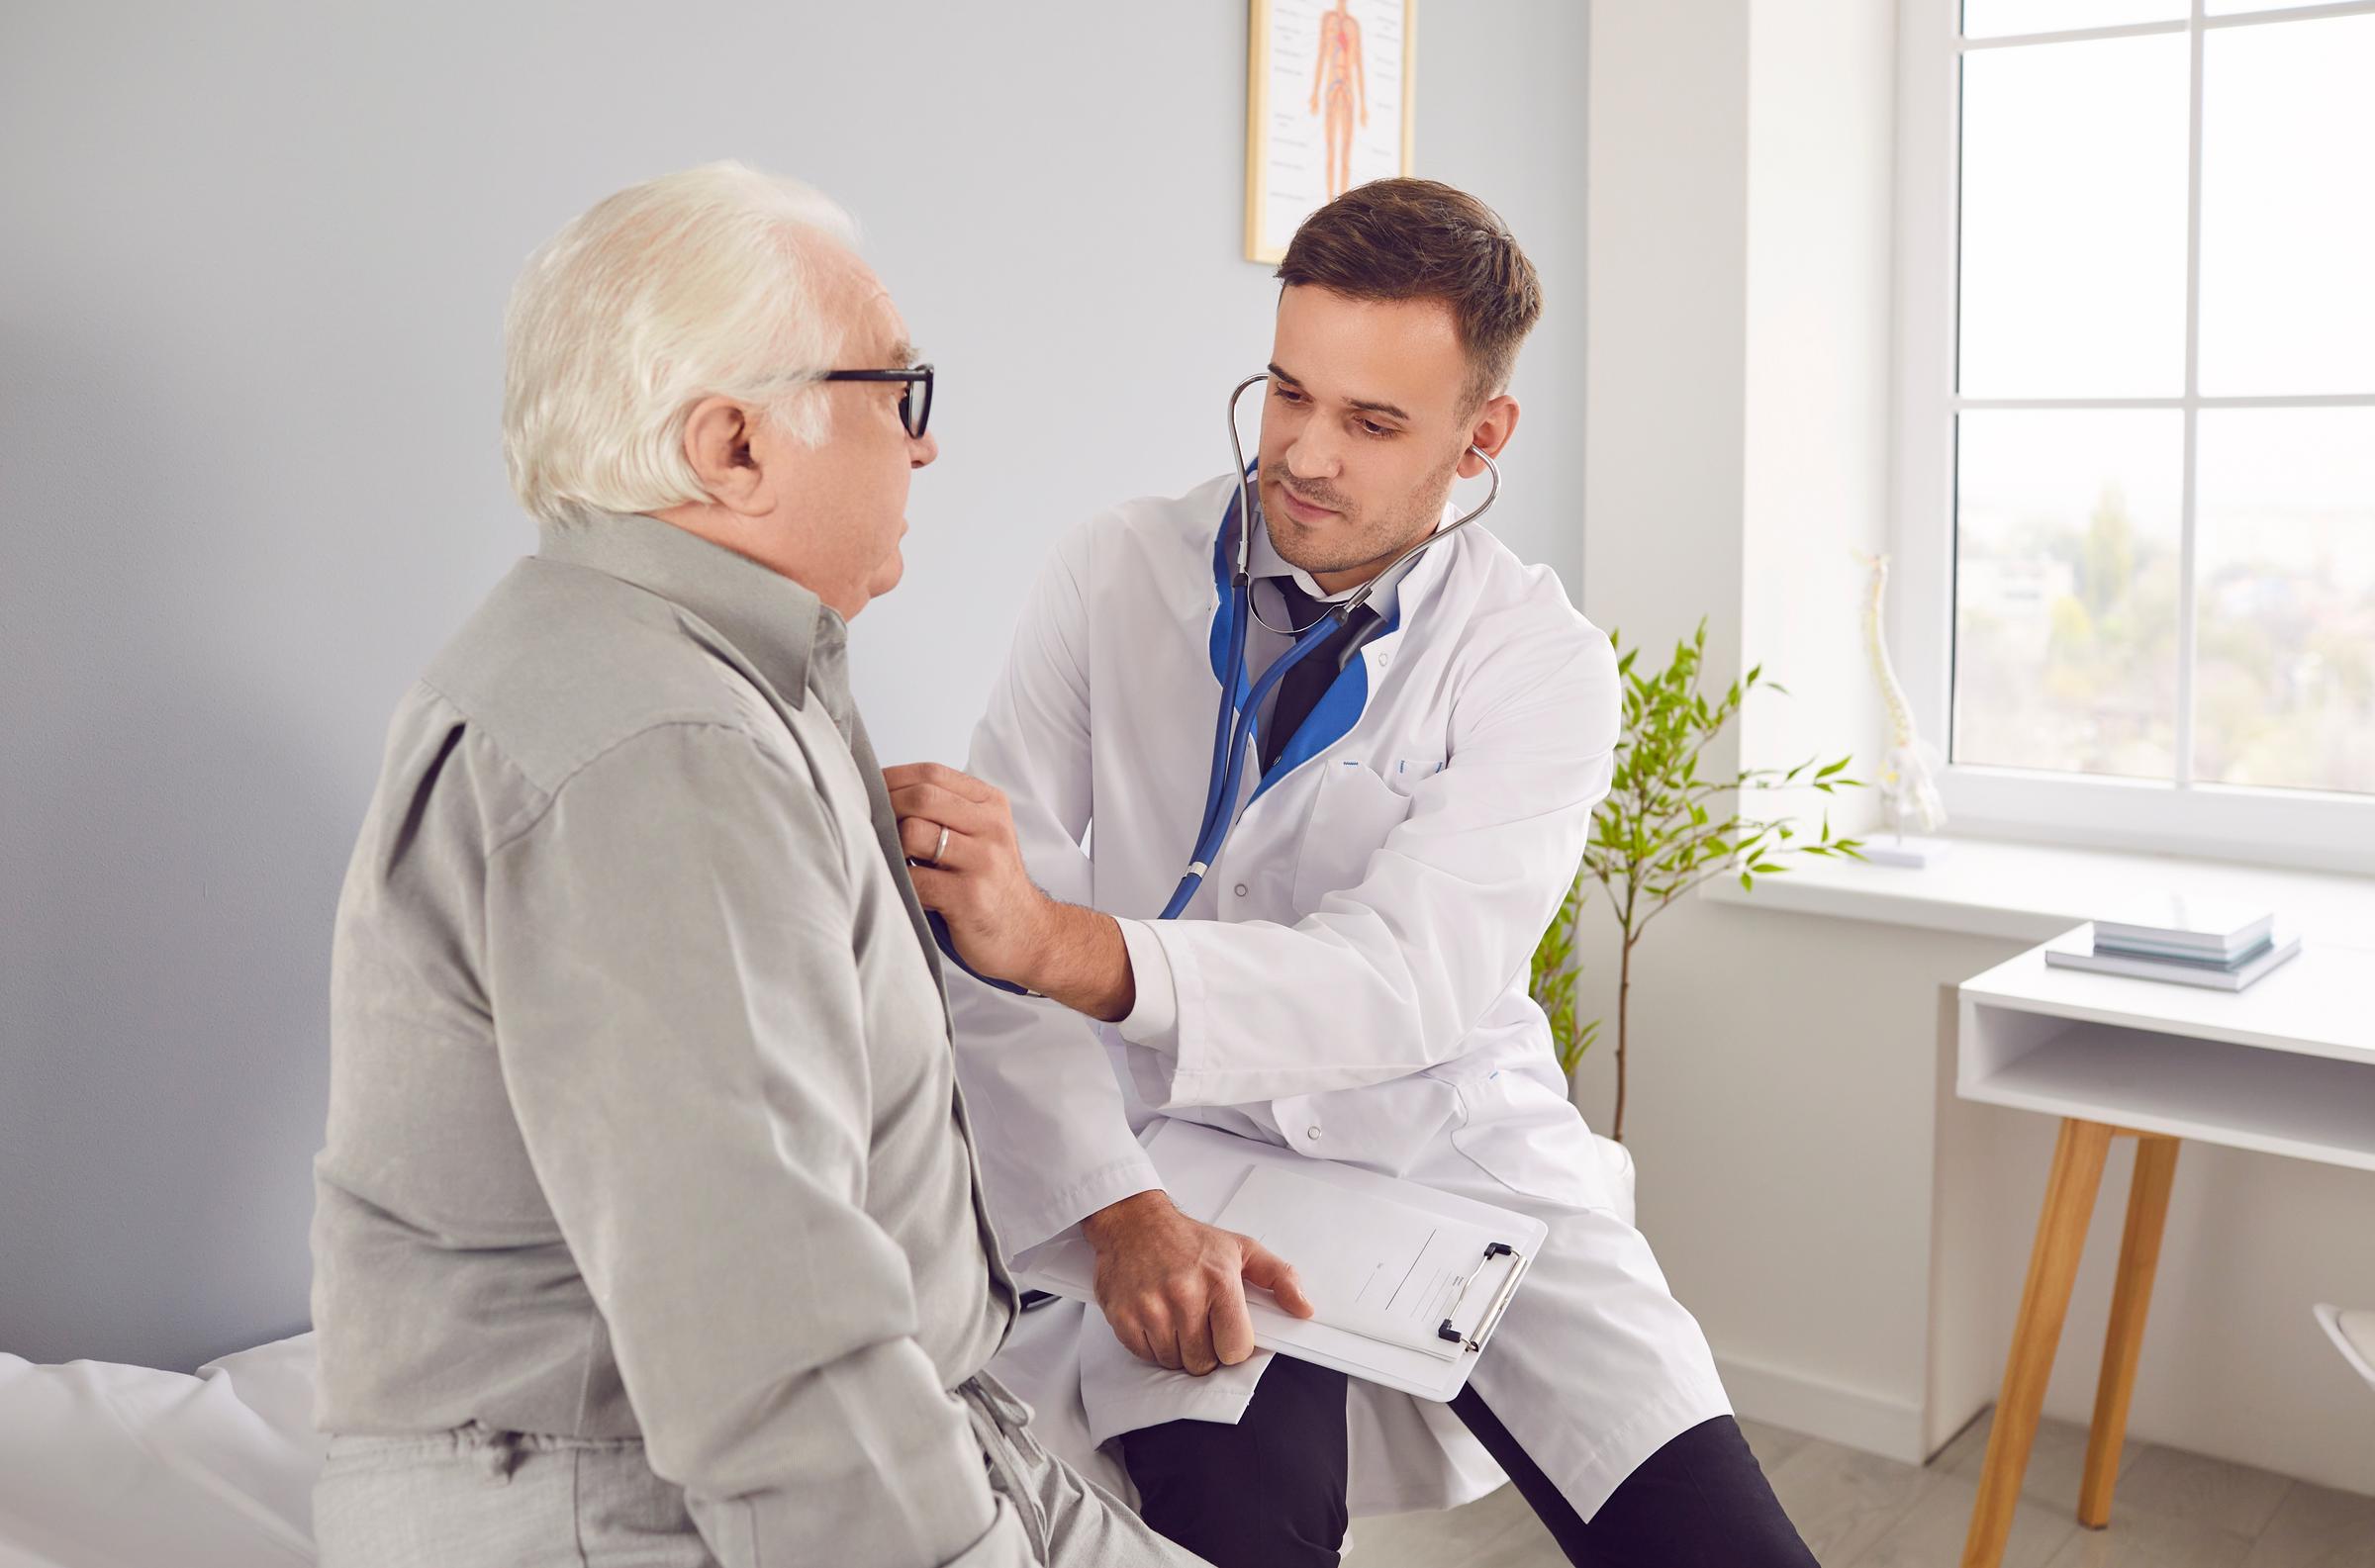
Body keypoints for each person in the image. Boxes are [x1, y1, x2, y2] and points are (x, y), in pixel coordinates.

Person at [888, 178, 1820, 1567]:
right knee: (1241, 1530)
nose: (1306, 455)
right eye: (1287, 392)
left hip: (1447, 1140)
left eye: (1374, 421)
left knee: (1723, 1545)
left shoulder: (1536, 663)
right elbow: (985, 957)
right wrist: (1116, 1208)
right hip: (1176, 1153)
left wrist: (1066, 942)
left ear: (1480, 435)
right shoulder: (1111, 573)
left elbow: (1403, 979)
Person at [309, 161, 1207, 1568]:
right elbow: (762, 1321)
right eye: (896, 393)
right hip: (632, 1499)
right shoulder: (659, 741)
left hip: (904, 1431)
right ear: (733, 447)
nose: (923, 447)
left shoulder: (696, 674)